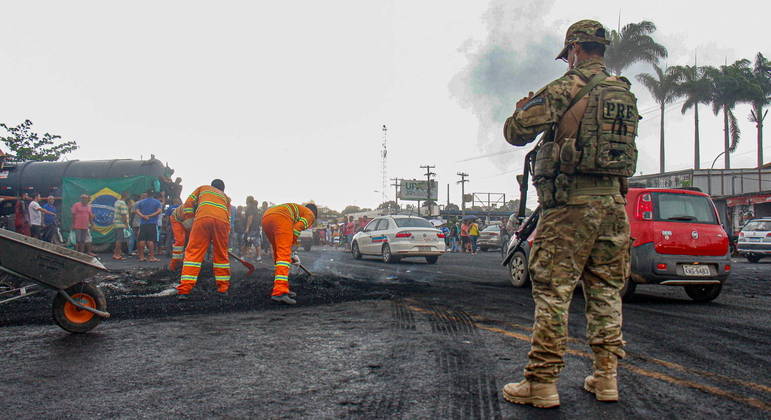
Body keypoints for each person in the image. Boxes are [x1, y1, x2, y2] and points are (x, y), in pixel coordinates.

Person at [500, 20, 638, 408]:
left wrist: (519, 111)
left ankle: (541, 383)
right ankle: (606, 378)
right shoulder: (624, 93)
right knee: (606, 292)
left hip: (571, 208)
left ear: (575, 49)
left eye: (569, 54)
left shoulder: (566, 87)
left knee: (553, 294)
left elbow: (515, 132)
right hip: (613, 206)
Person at [175, 179, 232, 297]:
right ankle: (223, 288)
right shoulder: (226, 197)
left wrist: (189, 218)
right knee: (221, 254)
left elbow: (188, 203)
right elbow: (228, 217)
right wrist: (221, 237)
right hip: (223, 223)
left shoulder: (203, 188)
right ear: (222, 189)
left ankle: (185, 290)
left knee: (194, 252)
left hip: (203, 219)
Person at [261, 202, 317, 304]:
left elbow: (292, 230)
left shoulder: (300, 211)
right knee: (284, 256)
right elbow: (296, 230)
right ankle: (280, 292)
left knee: (279, 254)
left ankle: (281, 285)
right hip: (281, 218)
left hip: (267, 217)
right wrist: (290, 250)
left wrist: (291, 252)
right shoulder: (310, 215)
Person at [135, 192, 163, 262]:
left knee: (142, 240)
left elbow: (137, 211)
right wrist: (150, 216)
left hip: (143, 223)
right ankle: (151, 257)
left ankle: (141, 257)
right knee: (151, 240)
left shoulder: (141, 202)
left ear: (147, 195)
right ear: (153, 195)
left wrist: (143, 216)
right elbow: (159, 211)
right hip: (152, 223)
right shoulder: (157, 202)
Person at [167, 203, 191, 271]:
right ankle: (174, 265)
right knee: (180, 241)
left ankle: (184, 262)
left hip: (188, 220)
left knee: (190, 241)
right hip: (177, 218)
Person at [243, 196, 263, 261]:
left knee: (247, 241)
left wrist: (247, 228)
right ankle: (259, 256)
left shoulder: (250, 207)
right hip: (256, 228)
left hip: (252, 229)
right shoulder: (255, 208)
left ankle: (244, 256)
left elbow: (250, 217)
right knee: (256, 242)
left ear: (248, 200)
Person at [112, 192, 130, 260]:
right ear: (127, 196)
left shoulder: (117, 202)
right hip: (121, 224)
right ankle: (117, 255)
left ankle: (117, 253)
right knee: (119, 240)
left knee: (118, 239)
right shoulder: (122, 203)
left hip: (116, 223)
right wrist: (126, 224)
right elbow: (123, 214)